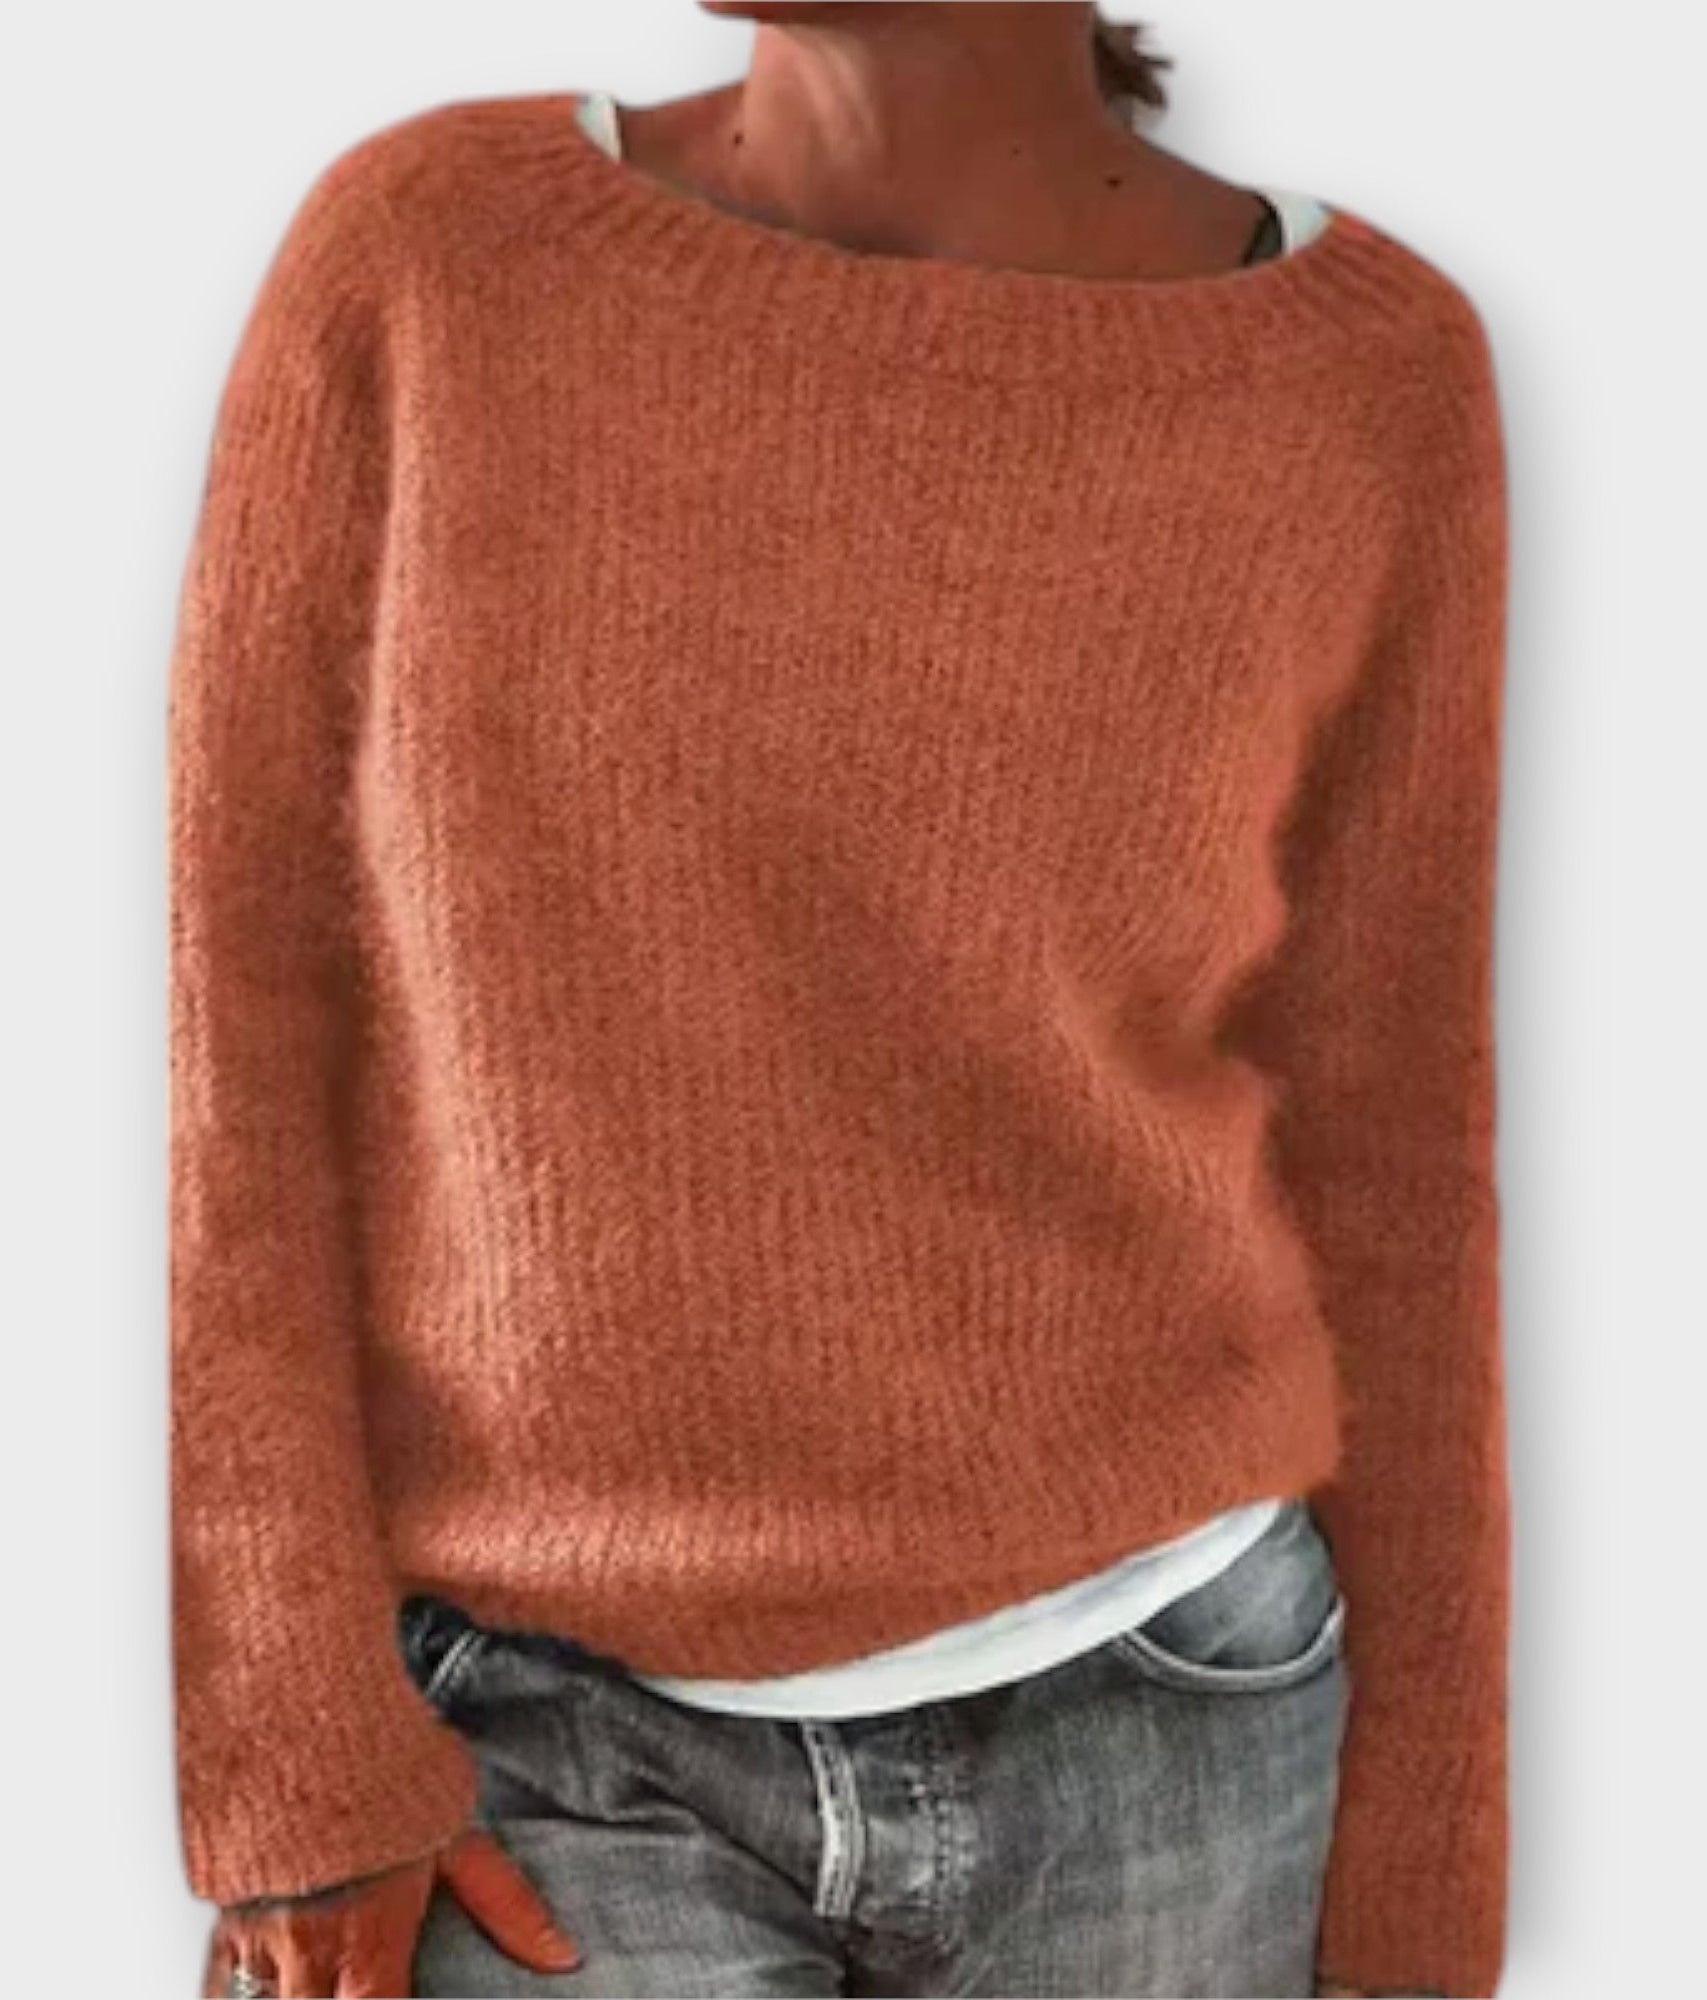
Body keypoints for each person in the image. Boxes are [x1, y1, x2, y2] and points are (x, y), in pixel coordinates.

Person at [166, 4, 1512, 1996]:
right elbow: (247, 1021)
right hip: (538, 1742)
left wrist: (1419, 1891)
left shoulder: (1361, 377)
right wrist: (289, 1754)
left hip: (1178, 1732)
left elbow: (1389, 1126)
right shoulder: (434, 258)